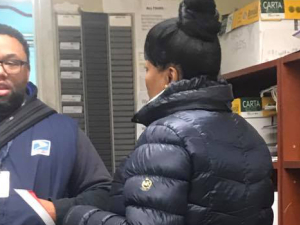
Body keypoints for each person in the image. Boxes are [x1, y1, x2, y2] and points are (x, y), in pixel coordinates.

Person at [63, 0, 274, 224]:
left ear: (170, 76)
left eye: (147, 68)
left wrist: (78, 215)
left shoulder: (167, 135)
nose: (146, 78)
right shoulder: (250, 134)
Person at [0, 24, 112, 225]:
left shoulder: (63, 132)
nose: (1, 72)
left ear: (27, 71)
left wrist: (55, 211)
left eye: (11, 62)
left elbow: (104, 193)